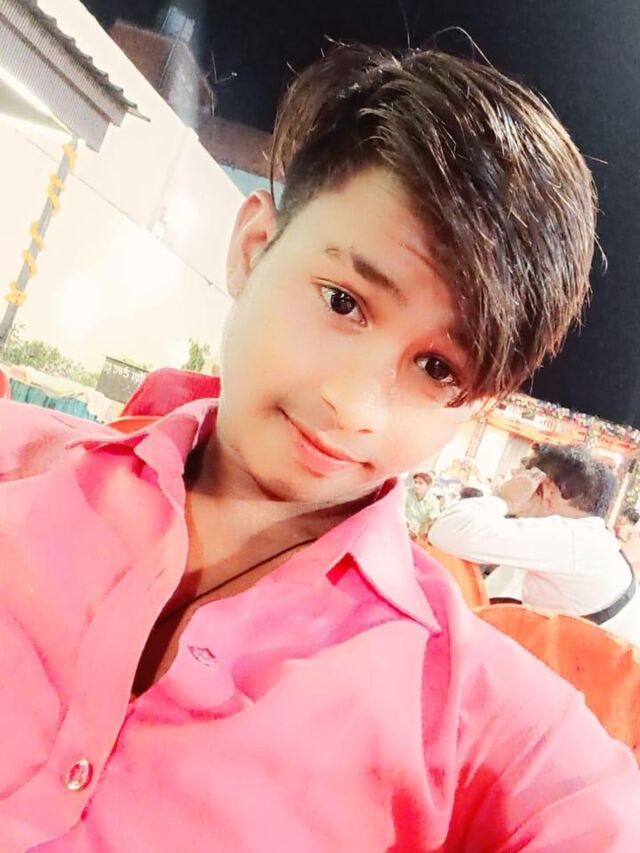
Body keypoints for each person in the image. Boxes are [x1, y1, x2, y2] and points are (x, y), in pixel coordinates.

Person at [1, 43, 639, 851]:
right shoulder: (17, 461)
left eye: (437, 368)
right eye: (343, 301)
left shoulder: (472, 712)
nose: (354, 404)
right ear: (253, 247)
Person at [430, 445, 640, 645]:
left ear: (545, 489)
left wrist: (505, 499)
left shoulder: (571, 538)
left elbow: (448, 531)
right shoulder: (590, 541)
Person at [405, 471, 439, 537]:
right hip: (401, 525)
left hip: (418, 532)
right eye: (415, 482)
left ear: (428, 486)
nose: (416, 485)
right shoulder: (406, 493)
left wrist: (422, 528)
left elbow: (432, 519)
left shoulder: (433, 501)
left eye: (420, 483)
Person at [617, 506, 640, 579]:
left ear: (627, 518)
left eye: (622, 515)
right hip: (633, 573)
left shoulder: (624, 528)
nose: (619, 517)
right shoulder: (636, 534)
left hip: (623, 565)